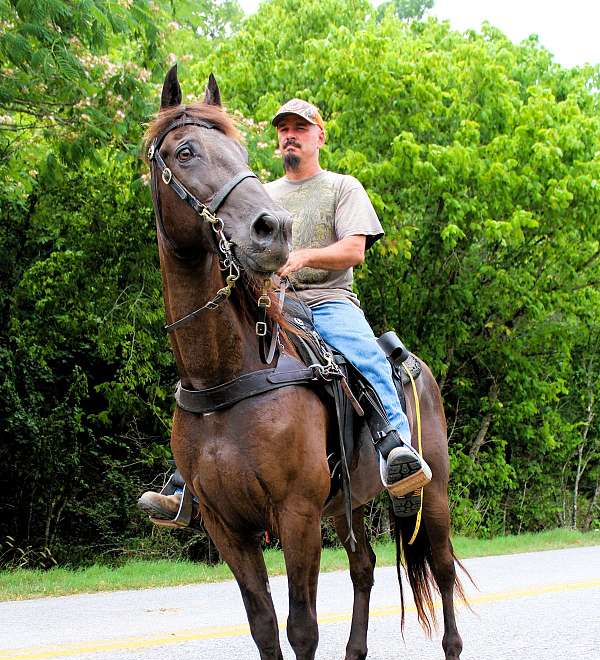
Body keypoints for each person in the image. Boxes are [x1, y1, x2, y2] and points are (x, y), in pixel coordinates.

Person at [139, 98, 431, 524]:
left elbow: (355, 250)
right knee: (214, 362)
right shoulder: (261, 192)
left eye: (300, 127)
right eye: (283, 129)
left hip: (329, 302)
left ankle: (396, 448)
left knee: (365, 354)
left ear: (319, 137)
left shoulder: (341, 187)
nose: (290, 135)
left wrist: (303, 257)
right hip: (271, 301)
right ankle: (188, 480)